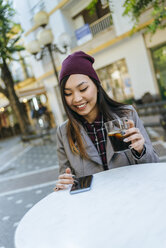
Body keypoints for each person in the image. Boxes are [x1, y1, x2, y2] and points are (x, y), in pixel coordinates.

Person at [55, 51, 159, 191]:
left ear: (97, 86)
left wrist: (141, 150)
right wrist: (64, 185)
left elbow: (154, 165)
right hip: (96, 206)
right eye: (68, 93)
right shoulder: (63, 133)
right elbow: (67, 181)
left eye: (83, 89)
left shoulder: (127, 115)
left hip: (134, 195)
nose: (77, 98)